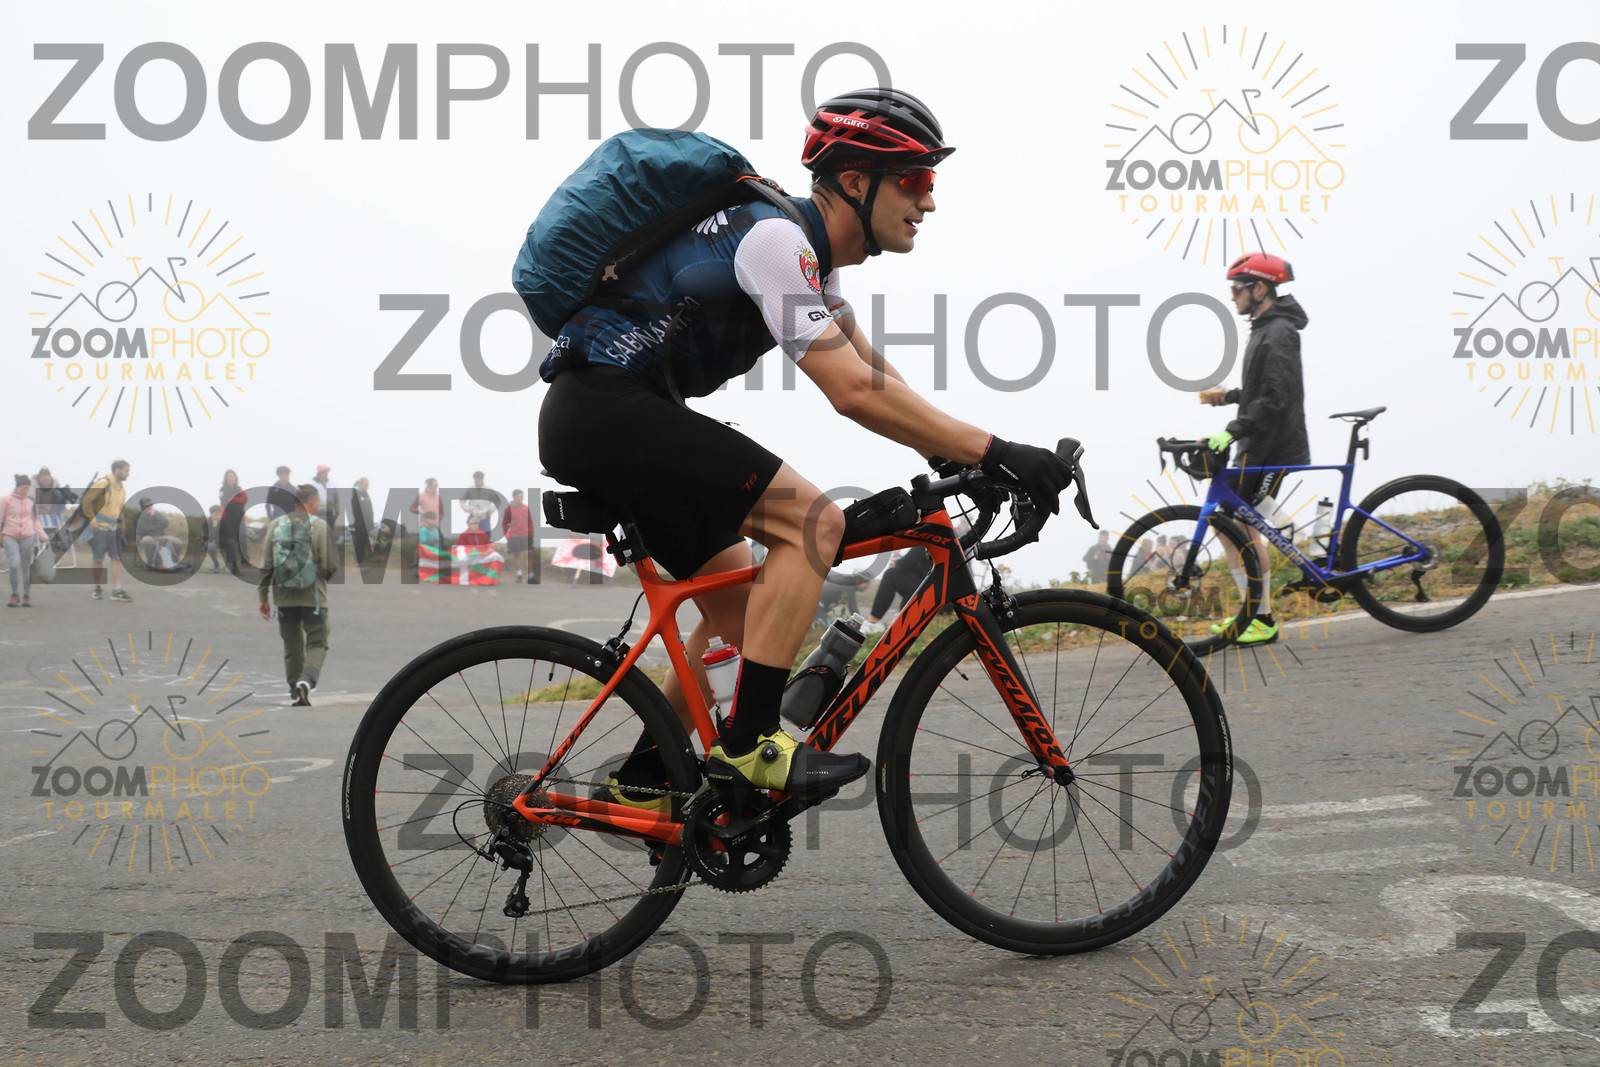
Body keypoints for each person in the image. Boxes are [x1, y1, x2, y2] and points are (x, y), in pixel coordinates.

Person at [535, 87, 1073, 806]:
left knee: (738, 606)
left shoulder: (812, 260)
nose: (929, 201)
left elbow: (875, 375)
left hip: (614, 413)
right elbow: (850, 391)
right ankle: (753, 747)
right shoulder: (775, 242)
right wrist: (998, 450)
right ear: (855, 181)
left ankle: (645, 776)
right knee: (814, 522)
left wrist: (956, 454)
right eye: (916, 180)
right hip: (607, 410)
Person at [1198, 252, 1310, 647]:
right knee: (1229, 523)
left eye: (1237, 287)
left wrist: (1232, 430)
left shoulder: (1278, 332)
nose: (1232, 295)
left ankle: (1260, 618)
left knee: (1243, 526)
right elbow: (1263, 391)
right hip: (1257, 445)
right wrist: (1229, 397)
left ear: (1260, 288)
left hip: (1271, 448)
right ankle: (1253, 611)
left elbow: (1276, 400)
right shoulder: (1265, 328)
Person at [258, 484, 337, 706]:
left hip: (284, 597)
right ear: (311, 502)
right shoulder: (319, 526)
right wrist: (323, 576)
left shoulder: (276, 525)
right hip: (314, 597)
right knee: (317, 642)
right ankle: (307, 680)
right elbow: (329, 564)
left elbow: (266, 564)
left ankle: (294, 688)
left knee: (292, 645)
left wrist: (263, 597)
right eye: (318, 502)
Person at [80, 460, 133, 601]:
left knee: (116, 558)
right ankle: (97, 588)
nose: (128, 474)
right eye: (126, 471)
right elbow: (86, 501)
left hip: (114, 528)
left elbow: (120, 509)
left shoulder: (122, 488)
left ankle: (117, 590)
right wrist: (92, 520)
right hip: (100, 527)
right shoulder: (104, 483)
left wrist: (122, 527)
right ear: (117, 470)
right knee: (98, 558)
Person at [860, 548, 932, 634]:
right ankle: (901, 623)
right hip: (942, 597)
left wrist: (896, 563)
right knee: (911, 586)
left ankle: (873, 623)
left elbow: (905, 564)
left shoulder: (926, 541)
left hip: (933, 595)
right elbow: (921, 571)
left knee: (890, 575)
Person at [2, 475, 47, 607]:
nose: (25, 491)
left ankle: (26, 594)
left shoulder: (30, 501)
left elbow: (34, 520)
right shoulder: (6, 500)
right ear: (17, 487)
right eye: (23, 488)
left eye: (27, 489)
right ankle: (14, 593)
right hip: (10, 536)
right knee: (14, 564)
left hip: (28, 536)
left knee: (26, 566)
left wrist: (43, 536)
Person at [135, 497, 184, 569]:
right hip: (145, 536)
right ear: (142, 507)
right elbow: (142, 529)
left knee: (178, 542)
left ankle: (173, 562)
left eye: (150, 505)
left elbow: (166, 524)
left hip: (161, 536)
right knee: (147, 540)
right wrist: (158, 526)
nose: (149, 507)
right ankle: (149, 563)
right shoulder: (137, 516)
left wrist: (154, 516)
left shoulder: (157, 514)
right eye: (146, 506)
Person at [219, 469, 251, 574]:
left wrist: (232, 499)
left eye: (232, 476)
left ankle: (245, 559)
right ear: (226, 478)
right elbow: (224, 502)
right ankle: (232, 561)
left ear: (235, 478)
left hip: (239, 517)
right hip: (227, 518)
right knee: (232, 539)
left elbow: (245, 499)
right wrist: (236, 502)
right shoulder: (222, 489)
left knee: (242, 536)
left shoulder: (239, 489)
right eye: (229, 476)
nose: (231, 478)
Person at [501, 488, 534, 582]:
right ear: (514, 497)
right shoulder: (508, 509)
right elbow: (504, 523)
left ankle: (530, 575)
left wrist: (531, 534)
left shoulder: (526, 508)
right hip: (514, 536)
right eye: (520, 496)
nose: (522, 498)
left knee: (529, 554)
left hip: (525, 535)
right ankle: (519, 575)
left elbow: (530, 522)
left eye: (523, 496)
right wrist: (507, 535)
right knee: (516, 555)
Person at [461, 471, 502, 538]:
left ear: (482, 479)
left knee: (486, 536)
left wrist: (492, 509)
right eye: (475, 479)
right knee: (471, 537)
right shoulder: (470, 489)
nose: (476, 481)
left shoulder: (489, 490)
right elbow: (462, 500)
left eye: (478, 479)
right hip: (473, 516)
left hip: (485, 516)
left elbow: (498, 501)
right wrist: (466, 508)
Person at [349, 477, 373, 565]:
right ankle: (358, 561)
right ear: (360, 485)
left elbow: (370, 508)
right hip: (360, 523)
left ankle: (362, 560)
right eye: (366, 485)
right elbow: (356, 511)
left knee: (365, 541)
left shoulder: (366, 494)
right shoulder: (356, 494)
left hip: (368, 522)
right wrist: (361, 521)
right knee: (360, 541)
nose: (367, 487)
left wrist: (370, 521)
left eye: (368, 485)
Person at [411, 478, 442, 547]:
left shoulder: (438, 497)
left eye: (437, 485)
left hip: (435, 526)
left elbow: (442, 512)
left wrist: (437, 520)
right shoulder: (421, 496)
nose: (437, 486)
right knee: (424, 545)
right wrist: (419, 511)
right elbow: (412, 508)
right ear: (429, 485)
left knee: (439, 545)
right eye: (435, 485)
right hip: (424, 524)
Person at [203, 505, 223, 571]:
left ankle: (232, 564)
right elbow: (209, 536)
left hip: (221, 541)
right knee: (210, 546)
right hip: (210, 542)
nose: (218, 516)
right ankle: (215, 561)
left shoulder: (223, 522)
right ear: (211, 514)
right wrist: (214, 526)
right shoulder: (206, 523)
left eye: (219, 515)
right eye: (216, 514)